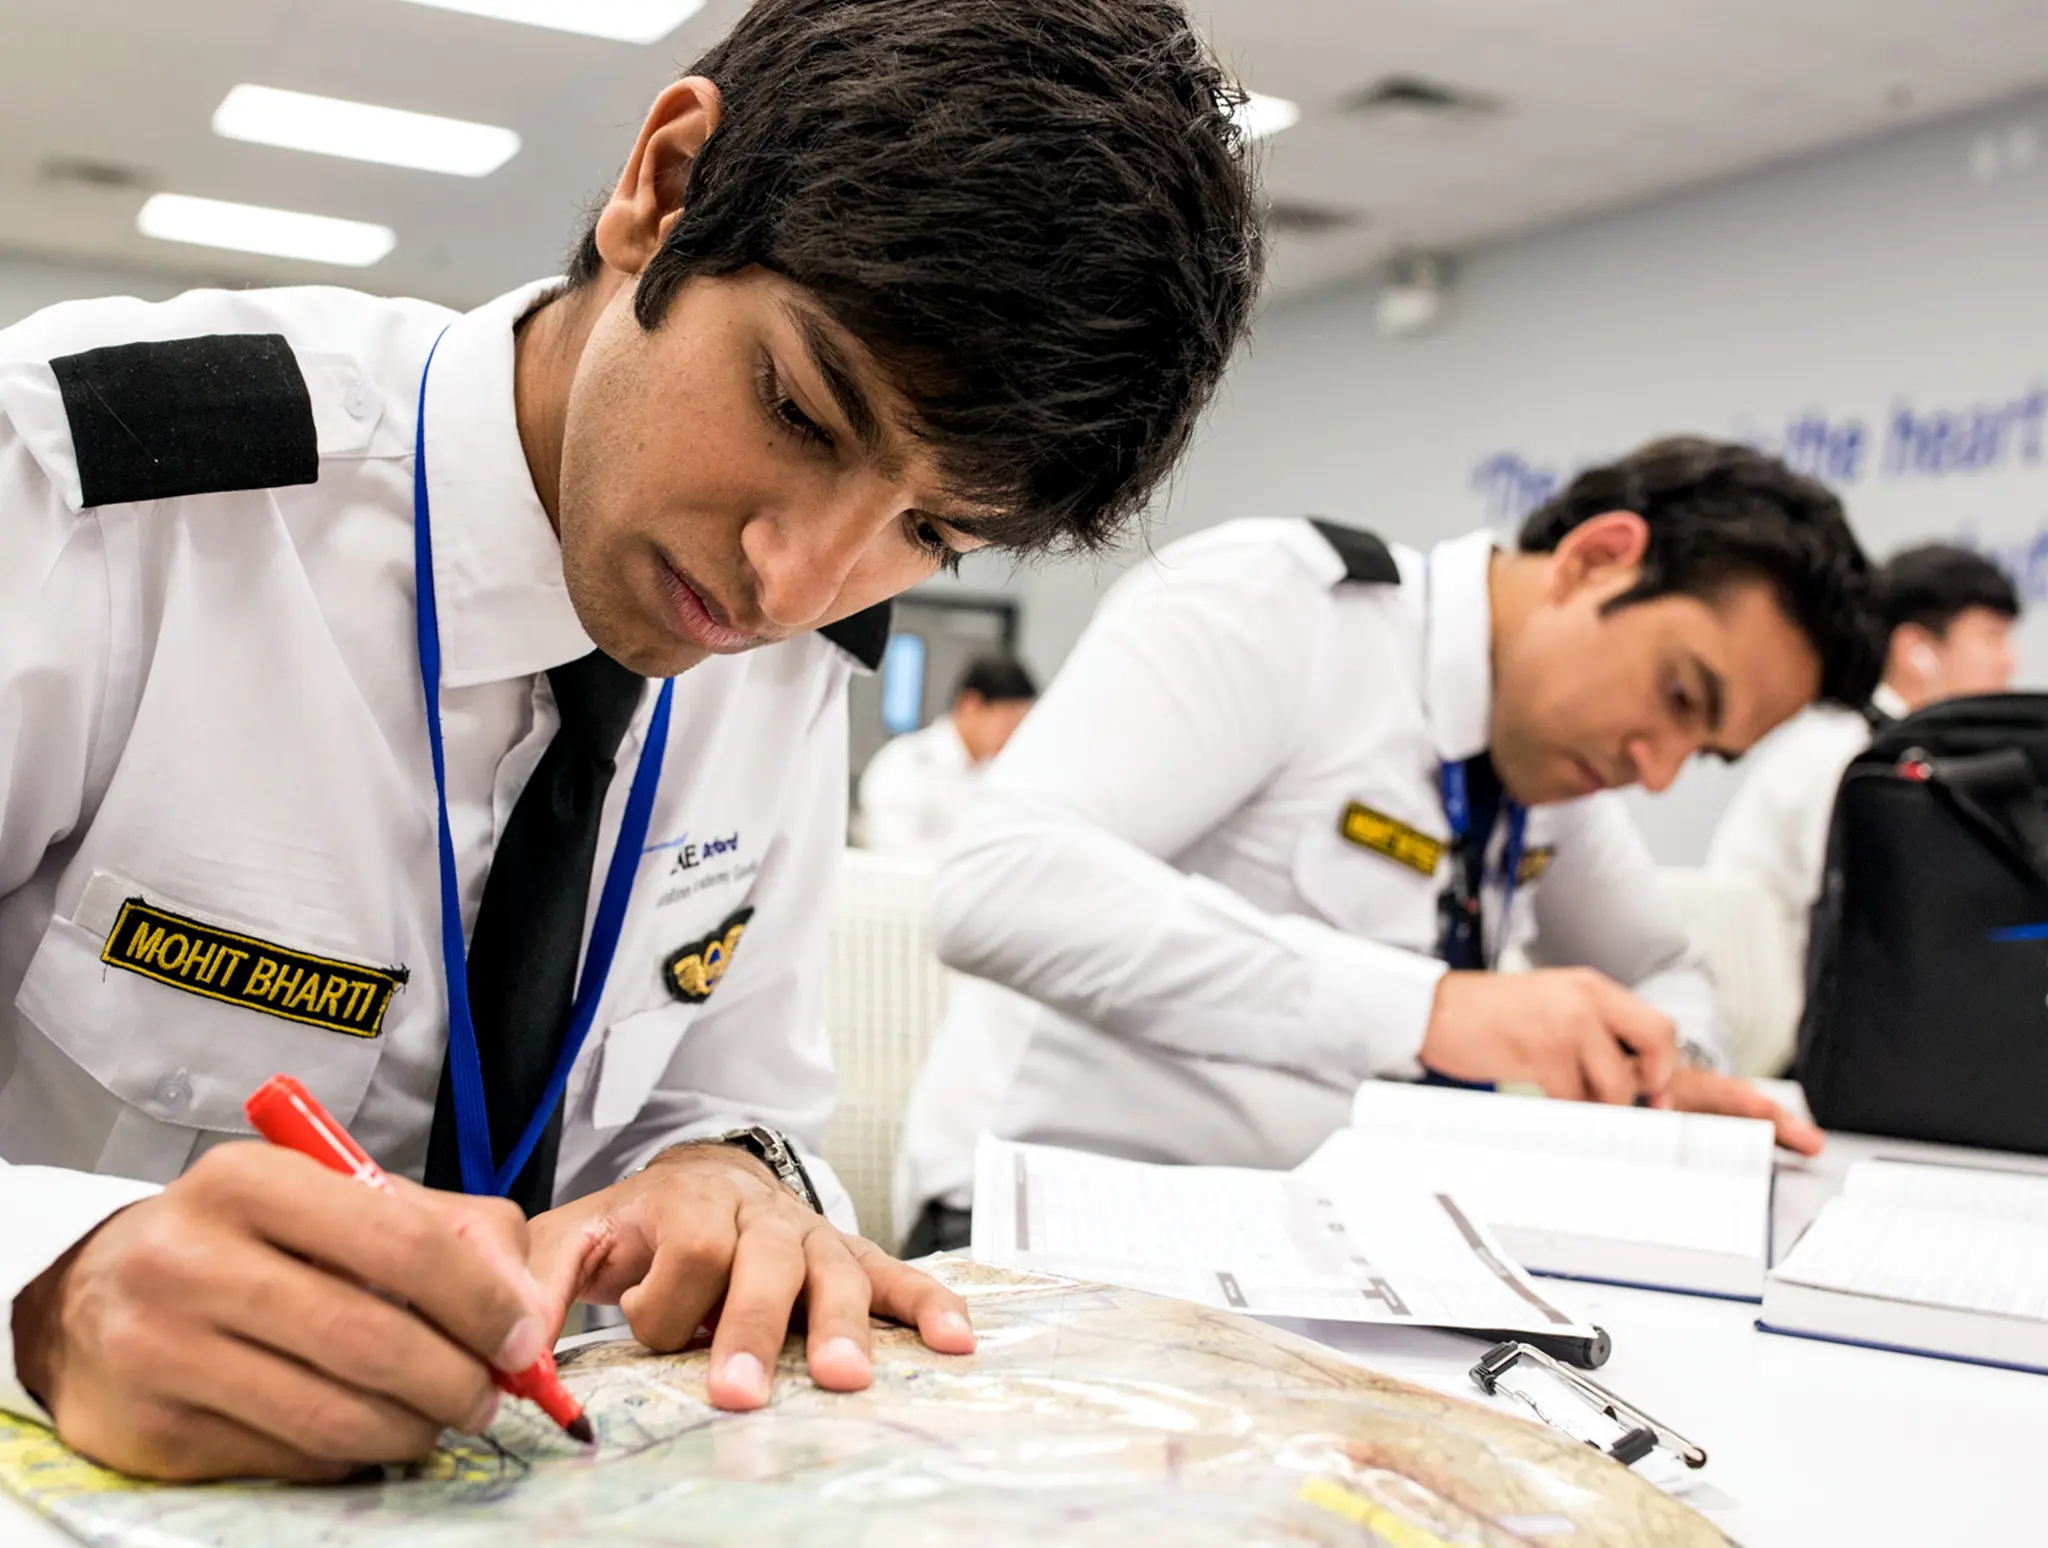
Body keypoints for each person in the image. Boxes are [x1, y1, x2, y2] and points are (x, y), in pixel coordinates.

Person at [0, 0, 1263, 1481]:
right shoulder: (96, 496)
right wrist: (49, 1288)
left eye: (929, 529)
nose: (793, 585)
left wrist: (728, 1175)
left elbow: (728, 1089)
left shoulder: (798, 652)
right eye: (798, 408)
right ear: (662, 189)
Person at [899, 438, 1880, 1255]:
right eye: (1676, 695)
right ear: (1593, 561)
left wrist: (1673, 1073)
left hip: (1331, 1251)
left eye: (1702, 753)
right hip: (1053, 1222)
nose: (1656, 770)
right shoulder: (1285, 606)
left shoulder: (1555, 771)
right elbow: (996, 885)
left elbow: (1661, 968)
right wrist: (1430, 1012)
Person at [1707, 542, 2021, 1067]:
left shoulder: (1889, 748)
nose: (2008, 663)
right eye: (1990, 638)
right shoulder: (1841, 754)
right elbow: (1870, 920)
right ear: (1915, 649)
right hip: (1794, 1042)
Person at [859, 654, 1038, 861]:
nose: (1013, 734)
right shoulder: (907, 762)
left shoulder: (1002, 774)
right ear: (971, 705)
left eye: (1020, 724)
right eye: (1008, 721)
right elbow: (894, 849)